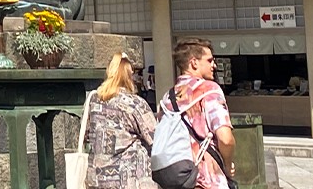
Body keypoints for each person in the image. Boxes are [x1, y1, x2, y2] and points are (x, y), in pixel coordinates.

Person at [159, 39, 235, 189]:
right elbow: (226, 139)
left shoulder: (167, 98)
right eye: (209, 60)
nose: (214, 65)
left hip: (175, 179)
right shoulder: (209, 89)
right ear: (194, 63)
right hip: (207, 179)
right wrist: (226, 165)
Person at [85, 52, 156, 189]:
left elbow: (87, 135)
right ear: (129, 76)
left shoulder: (93, 100)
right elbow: (155, 137)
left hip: (98, 179)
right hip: (129, 179)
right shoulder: (134, 103)